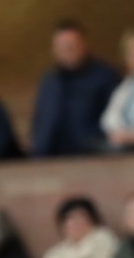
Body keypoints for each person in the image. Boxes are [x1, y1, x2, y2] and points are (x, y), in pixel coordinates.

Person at [31, 20, 120, 157]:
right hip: (50, 157)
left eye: (71, 45)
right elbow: (40, 120)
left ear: (84, 45)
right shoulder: (50, 80)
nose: (67, 51)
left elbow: (115, 118)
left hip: (93, 156)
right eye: (61, 46)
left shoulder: (104, 77)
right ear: (54, 49)